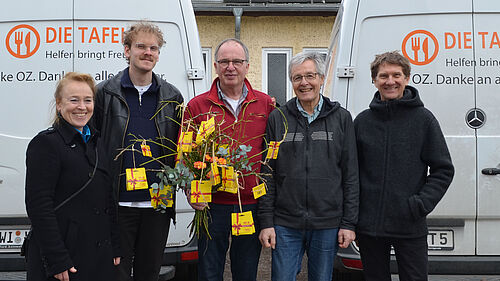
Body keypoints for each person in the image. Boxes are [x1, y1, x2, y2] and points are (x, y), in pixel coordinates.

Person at [93, 21, 183, 281]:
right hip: (117, 203)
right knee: (115, 274)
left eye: (153, 48)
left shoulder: (172, 96)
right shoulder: (105, 93)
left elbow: (179, 147)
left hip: (158, 203)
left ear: (158, 53)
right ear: (127, 50)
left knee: (149, 274)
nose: (148, 53)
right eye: (141, 46)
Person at [258, 51, 359, 281]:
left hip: (327, 223)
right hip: (285, 224)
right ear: (291, 82)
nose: (304, 83)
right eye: (297, 78)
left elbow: (351, 174)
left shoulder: (342, 118)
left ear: (322, 79)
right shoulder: (278, 118)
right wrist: (266, 222)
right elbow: (267, 174)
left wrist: (348, 223)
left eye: (310, 76)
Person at [354, 51, 454, 281]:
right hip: (370, 227)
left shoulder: (424, 119)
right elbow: (351, 173)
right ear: (374, 80)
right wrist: (356, 216)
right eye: (383, 76)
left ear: (407, 78)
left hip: (409, 224)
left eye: (396, 75)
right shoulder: (362, 122)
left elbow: (443, 169)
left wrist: (419, 205)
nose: (390, 81)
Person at [185, 38, 274, 281]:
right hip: (211, 205)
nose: (230, 67)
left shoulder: (266, 104)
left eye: (236, 61)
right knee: (209, 272)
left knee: (245, 273)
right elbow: (183, 156)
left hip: (250, 205)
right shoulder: (197, 106)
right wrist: (190, 191)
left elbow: (273, 155)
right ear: (215, 66)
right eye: (224, 61)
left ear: (247, 66)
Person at [25, 72, 121, 281]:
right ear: (59, 105)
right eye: (74, 100)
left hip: (98, 256)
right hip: (65, 259)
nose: (82, 106)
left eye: (88, 100)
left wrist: (114, 245)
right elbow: (39, 207)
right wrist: (56, 259)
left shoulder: (97, 142)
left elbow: (107, 199)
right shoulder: (46, 144)